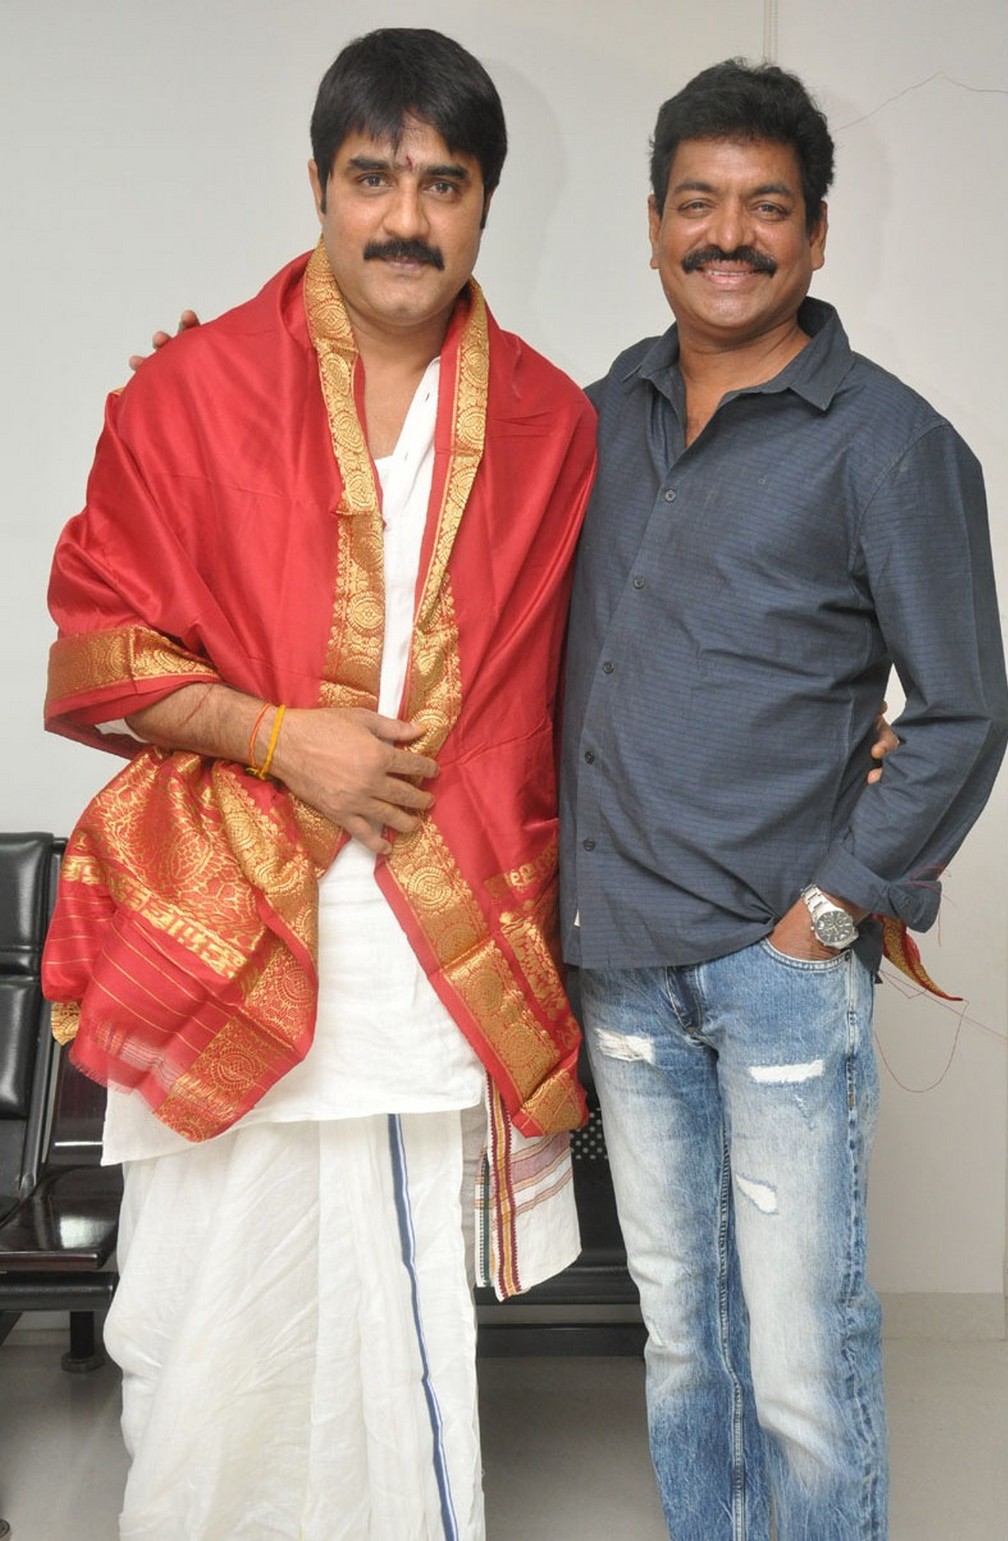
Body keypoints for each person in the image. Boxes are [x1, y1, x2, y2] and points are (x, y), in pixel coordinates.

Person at [43, 29, 596, 1540]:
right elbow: (100, 652)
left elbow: (605, 668)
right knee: (203, 1304)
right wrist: (288, 741)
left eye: (443, 183)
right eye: (372, 178)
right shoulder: (192, 391)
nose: (405, 217)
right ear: (317, 185)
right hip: (225, 919)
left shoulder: (553, 424)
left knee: (390, 1316)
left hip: (430, 937)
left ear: (486, 203)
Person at [560, 58, 1008, 1541]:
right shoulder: (594, 418)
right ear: (653, 226)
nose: (729, 236)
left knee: (804, 1350)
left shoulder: (891, 442)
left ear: (816, 234)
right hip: (621, 956)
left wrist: (832, 907)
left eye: (767, 208)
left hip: (778, 965)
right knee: (683, 1336)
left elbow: (965, 709)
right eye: (698, 203)